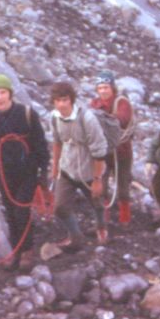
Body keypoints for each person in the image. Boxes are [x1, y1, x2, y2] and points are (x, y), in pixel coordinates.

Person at [0, 74, 49, 272]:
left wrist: (43, 171)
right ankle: (16, 251)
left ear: (10, 93)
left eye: (2, 92)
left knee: (21, 210)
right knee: (10, 212)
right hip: (4, 171)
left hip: (27, 170)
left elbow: (40, 144)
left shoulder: (27, 114)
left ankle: (27, 251)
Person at [50, 81, 108, 251]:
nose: (61, 104)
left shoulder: (87, 119)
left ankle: (101, 227)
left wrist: (97, 179)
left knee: (97, 201)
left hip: (89, 171)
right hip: (67, 168)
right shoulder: (54, 117)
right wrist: (55, 168)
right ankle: (76, 236)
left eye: (65, 100)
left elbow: (99, 150)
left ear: (71, 100)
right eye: (57, 100)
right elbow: (57, 142)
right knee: (60, 207)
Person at [90, 70, 135, 226]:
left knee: (123, 186)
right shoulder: (94, 104)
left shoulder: (121, 102)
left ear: (112, 88)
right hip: (102, 153)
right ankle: (104, 218)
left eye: (106, 87)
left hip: (121, 151)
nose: (103, 91)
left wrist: (102, 117)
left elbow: (123, 120)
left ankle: (125, 216)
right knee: (100, 185)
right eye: (100, 88)